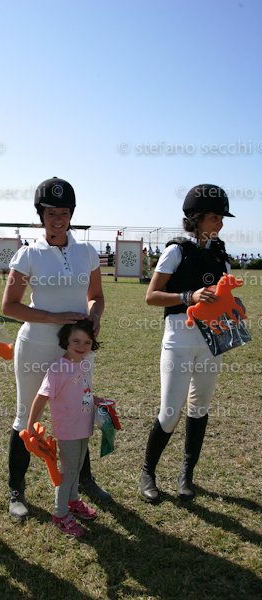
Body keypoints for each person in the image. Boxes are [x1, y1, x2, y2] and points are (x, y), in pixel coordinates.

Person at [2, 176, 108, 519]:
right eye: (51, 213)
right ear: (41, 216)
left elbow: (96, 296)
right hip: (36, 346)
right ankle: (16, 490)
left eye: (64, 213)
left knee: (80, 413)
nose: (58, 220)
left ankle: (84, 480)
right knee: (25, 415)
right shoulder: (28, 254)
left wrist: (94, 317)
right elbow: (9, 306)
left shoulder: (86, 252)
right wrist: (53, 317)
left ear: (72, 214)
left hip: (78, 350)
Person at [139, 184, 234, 504]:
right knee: (170, 412)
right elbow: (151, 296)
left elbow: (223, 299)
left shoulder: (221, 256)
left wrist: (230, 308)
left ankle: (186, 475)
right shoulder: (176, 251)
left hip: (211, 338)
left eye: (221, 218)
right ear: (196, 218)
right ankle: (147, 472)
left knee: (200, 406)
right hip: (179, 337)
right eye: (214, 217)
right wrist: (188, 296)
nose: (220, 223)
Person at [26, 319, 99, 537]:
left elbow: (81, 391)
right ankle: (60, 513)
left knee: (77, 467)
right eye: (76, 341)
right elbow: (42, 396)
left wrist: (95, 400)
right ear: (66, 340)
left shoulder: (83, 364)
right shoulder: (58, 368)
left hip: (83, 426)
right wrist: (31, 424)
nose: (82, 346)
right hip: (68, 430)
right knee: (67, 472)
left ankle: (73, 501)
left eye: (87, 342)